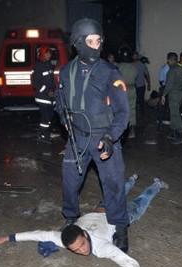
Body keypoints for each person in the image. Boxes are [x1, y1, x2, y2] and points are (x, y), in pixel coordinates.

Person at [0, 176, 168, 267]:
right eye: (76, 250)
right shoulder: (64, 238)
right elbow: (39, 234)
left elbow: (128, 262)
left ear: (85, 235)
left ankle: (155, 184)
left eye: (82, 245)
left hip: (118, 218)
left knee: (139, 202)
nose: (82, 250)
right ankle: (131, 179)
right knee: (114, 195)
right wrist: (8, 238)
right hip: (99, 211)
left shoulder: (101, 247)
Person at [54, 18, 130, 252]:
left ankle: (120, 226)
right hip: (77, 137)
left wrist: (111, 137)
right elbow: (60, 101)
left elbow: (123, 112)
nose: (96, 46)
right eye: (90, 41)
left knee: (113, 183)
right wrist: (64, 120)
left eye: (99, 41)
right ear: (78, 43)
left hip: (103, 137)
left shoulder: (109, 72)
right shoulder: (66, 71)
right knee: (69, 181)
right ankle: (70, 219)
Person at [162, 52, 182, 144]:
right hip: (181, 94)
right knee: (174, 113)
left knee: (175, 115)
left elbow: (169, 85)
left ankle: (181, 135)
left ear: (170, 60)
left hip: (174, 95)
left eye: (168, 60)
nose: (167, 62)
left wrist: (163, 95)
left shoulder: (172, 70)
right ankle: (173, 132)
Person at [32, 45, 56, 144]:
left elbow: (51, 80)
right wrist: (47, 91)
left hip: (49, 97)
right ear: (42, 54)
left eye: (49, 53)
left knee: (49, 117)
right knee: (45, 118)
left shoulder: (48, 64)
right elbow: (37, 83)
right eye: (47, 53)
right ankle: (43, 136)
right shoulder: (39, 66)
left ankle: (45, 133)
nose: (49, 54)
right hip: (43, 97)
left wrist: (54, 90)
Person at [117, 46, 138, 138]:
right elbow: (135, 77)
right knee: (132, 110)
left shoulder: (118, 67)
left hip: (121, 90)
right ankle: (132, 131)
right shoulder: (134, 67)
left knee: (120, 110)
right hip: (132, 90)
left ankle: (121, 131)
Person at [133, 51, 151, 124]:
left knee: (140, 101)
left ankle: (142, 116)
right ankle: (137, 116)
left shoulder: (141, 65)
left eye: (135, 55)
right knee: (135, 101)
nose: (134, 57)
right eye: (133, 55)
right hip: (134, 86)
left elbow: (146, 74)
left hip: (140, 85)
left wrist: (149, 84)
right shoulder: (130, 64)